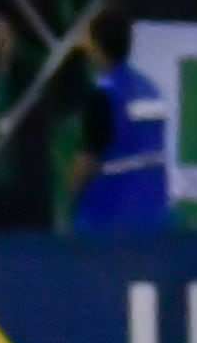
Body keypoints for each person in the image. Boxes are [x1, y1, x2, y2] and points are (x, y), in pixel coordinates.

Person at [68, 28, 172, 231]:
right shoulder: (150, 89)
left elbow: (87, 160)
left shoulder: (104, 95)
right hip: (155, 211)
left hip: (110, 214)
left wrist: (71, 201)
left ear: (97, 47)